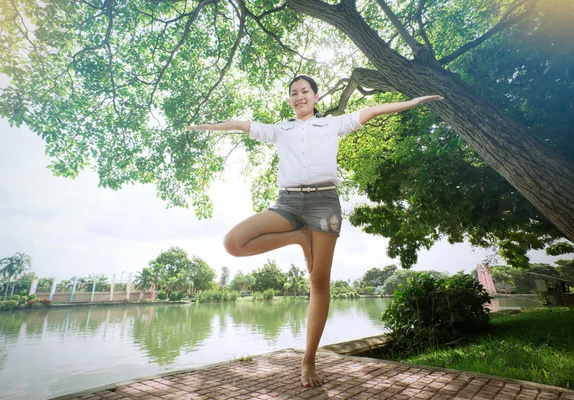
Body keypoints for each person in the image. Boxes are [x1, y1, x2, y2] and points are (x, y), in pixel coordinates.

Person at [187, 75, 444, 387]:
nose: (299, 97)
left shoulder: (333, 124)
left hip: (323, 203)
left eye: (304, 91)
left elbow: (375, 110)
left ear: (316, 96)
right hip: (287, 203)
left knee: (319, 283)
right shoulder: (280, 129)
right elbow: (241, 124)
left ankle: (308, 361)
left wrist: (414, 102)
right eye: (293, 93)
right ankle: (299, 237)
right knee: (234, 243)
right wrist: (204, 127)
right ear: (290, 100)